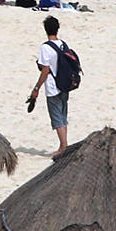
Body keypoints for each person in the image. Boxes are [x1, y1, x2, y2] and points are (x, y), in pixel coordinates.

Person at [29, 15, 75, 155]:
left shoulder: (45, 48)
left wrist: (36, 88)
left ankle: (63, 147)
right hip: (65, 83)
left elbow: (45, 70)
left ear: (45, 29)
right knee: (63, 115)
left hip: (53, 86)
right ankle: (64, 145)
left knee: (56, 117)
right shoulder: (63, 44)